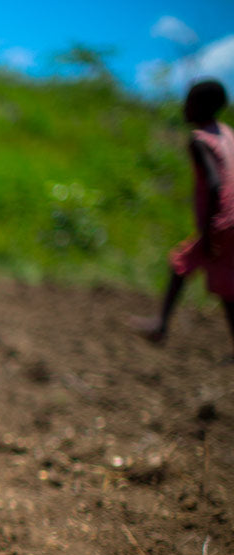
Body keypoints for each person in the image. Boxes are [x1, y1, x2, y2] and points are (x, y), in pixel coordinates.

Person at [130, 78, 234, 358]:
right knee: (222, 283)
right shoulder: (227, 134)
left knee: (184, 264)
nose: (184, 108)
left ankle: (160, 325)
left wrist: (211, 232)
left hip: (224, 223)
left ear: (201, 106)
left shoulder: (199, 139)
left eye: (189, 102)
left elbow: (213, 184)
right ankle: (161, 324)